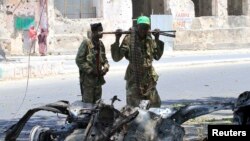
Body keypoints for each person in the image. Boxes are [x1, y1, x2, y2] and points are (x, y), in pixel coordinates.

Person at [111, 16, 164, 108]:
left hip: (148, 77)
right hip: (134, 77)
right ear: (137, 26)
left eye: (146, 27)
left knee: (155, 105)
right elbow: (116, 58)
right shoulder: (129, 39)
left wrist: (157, 39)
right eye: (141, 27)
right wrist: (117, 39)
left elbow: (157, 56)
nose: (143, 30)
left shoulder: (149, 39)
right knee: (133, 107)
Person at [75, 23, 109, 104]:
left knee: (97, 105)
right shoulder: (86, 43)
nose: (102, 33)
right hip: (88, 82)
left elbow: (104, 60)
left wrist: (105, 67)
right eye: (100, 31)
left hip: (98, 80)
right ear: (94, 32)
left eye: (102, 30)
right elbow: (79, 60)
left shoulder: (100, 44)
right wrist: (90, 70)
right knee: (88, 106)